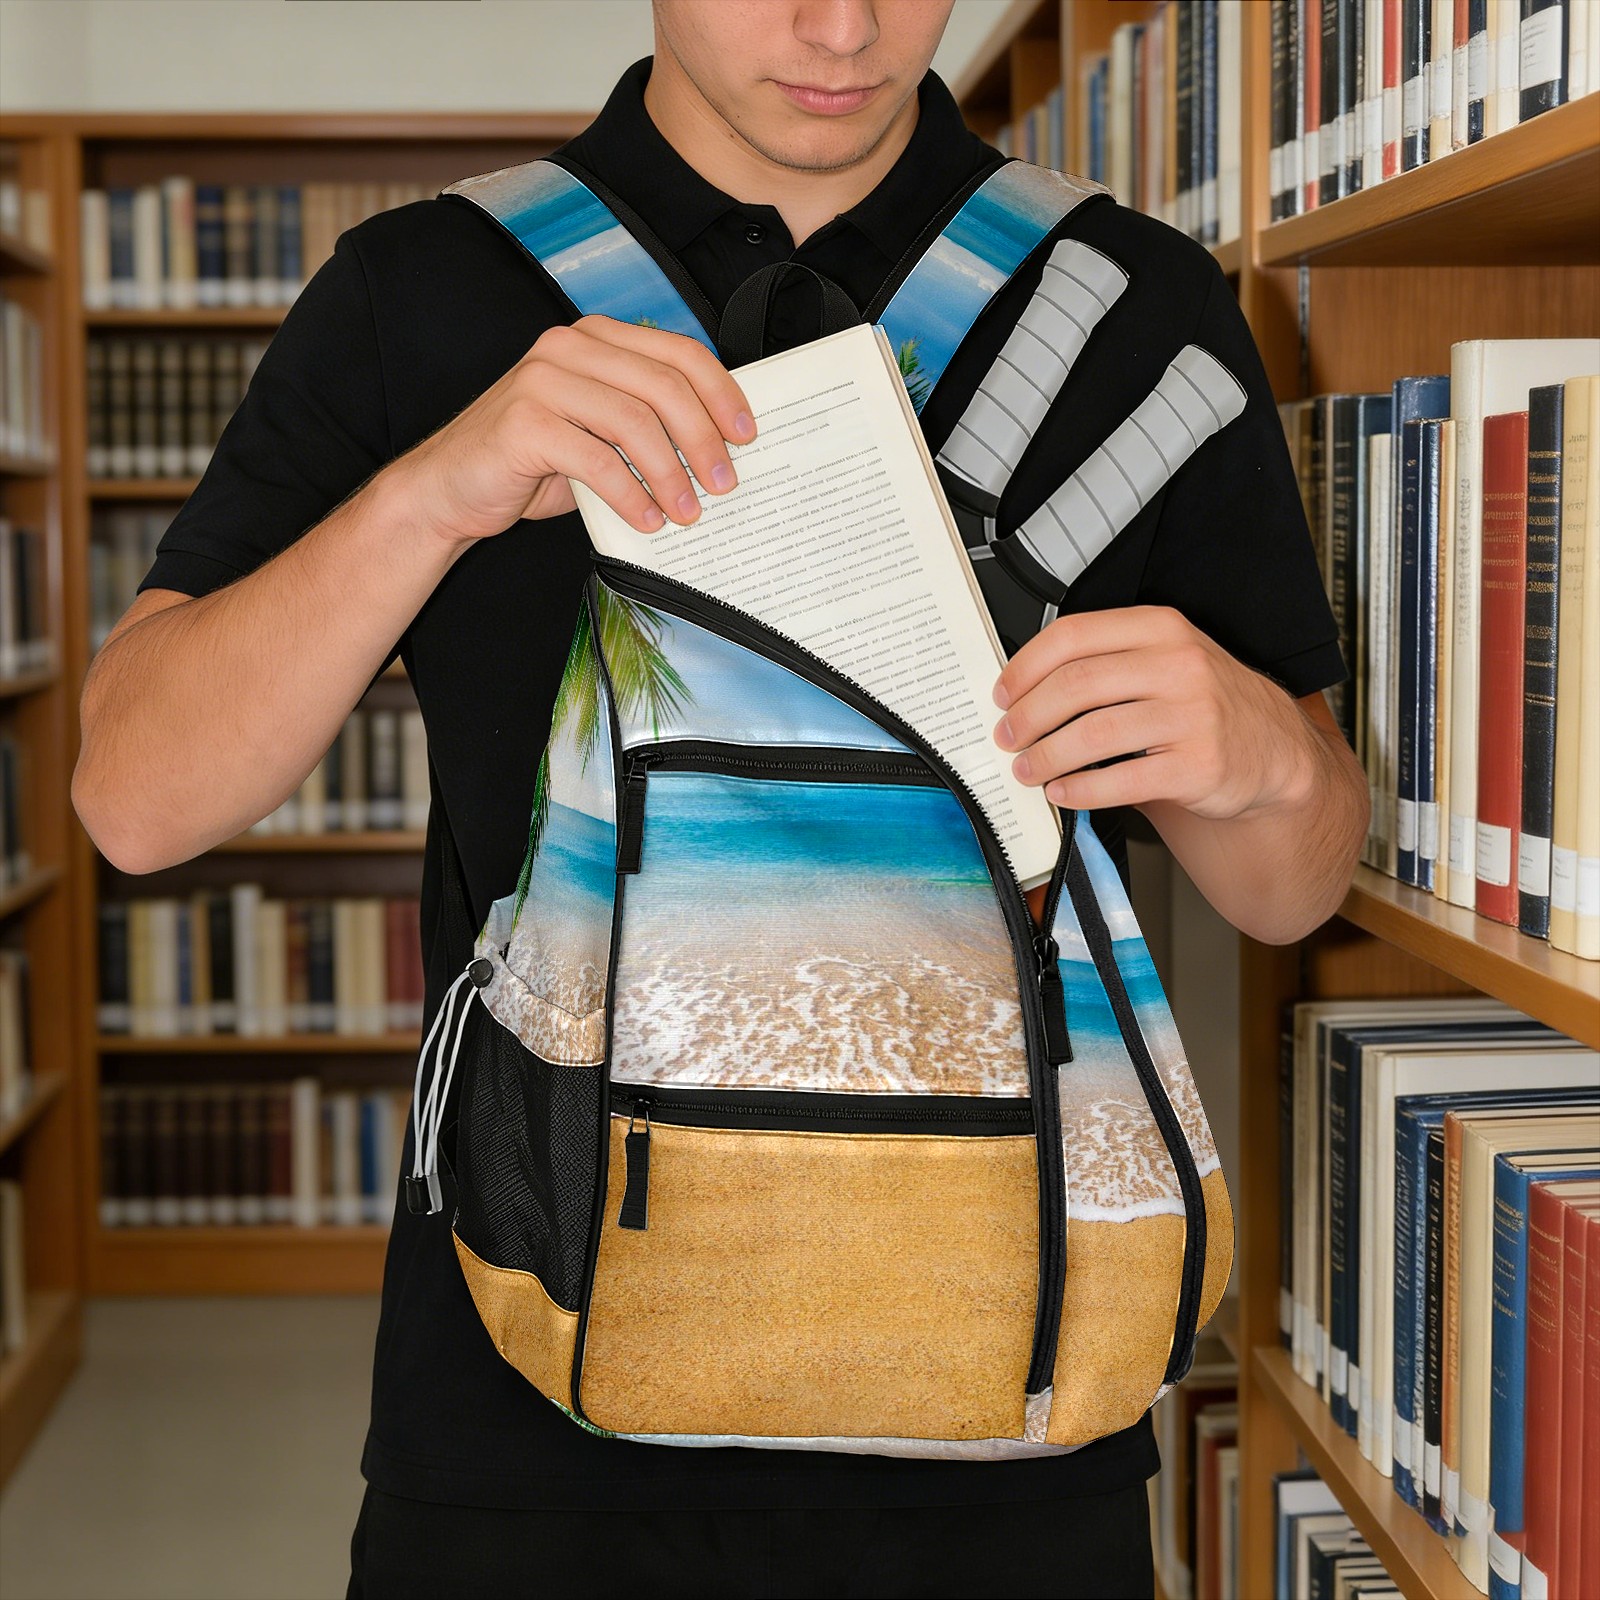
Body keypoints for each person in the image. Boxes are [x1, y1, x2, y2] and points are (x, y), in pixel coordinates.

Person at [70, 2, 1369, 1595]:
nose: (844, 26)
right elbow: (135, 799)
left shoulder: (1134, 306)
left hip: (1017, 1415)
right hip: (529, 1421)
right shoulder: (424, 292)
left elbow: (1292, 891)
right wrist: (427, 498)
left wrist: (1265, 754)